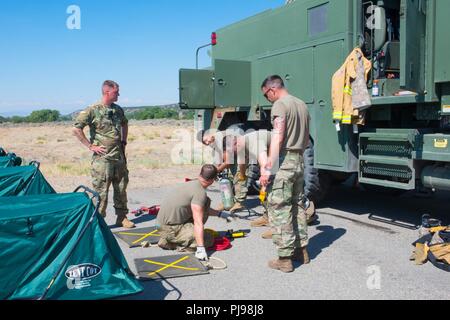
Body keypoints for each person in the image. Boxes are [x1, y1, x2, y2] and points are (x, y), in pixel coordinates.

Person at [259, 75, 311, 273]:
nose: (268, 100)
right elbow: (306, 137)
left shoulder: (280, 105)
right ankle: (302, 251)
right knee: (298, 206)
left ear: (272, 90)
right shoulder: (302, 104)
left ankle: (284, 258)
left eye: (266, 95)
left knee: (280, 208)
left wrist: (268, 168)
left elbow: (278, 136)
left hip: (285, 161)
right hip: (299, 160)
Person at [73, 80, 135, 229]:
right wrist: (90, 146)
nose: (119, 94)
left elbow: (125, 124)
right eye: (116, 92)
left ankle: (122, 217)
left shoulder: (118, 110)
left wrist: (124, 141)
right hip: (102, 159)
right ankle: (98, 221)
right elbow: (76, 129)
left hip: (118, 157)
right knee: (101, 191)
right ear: (107, 92)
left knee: (121, 188)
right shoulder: (92, 110)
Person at [157, 164, 232, 261]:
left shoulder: (191, 184)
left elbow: (202, 209)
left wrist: (220, 214)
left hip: (162, 224)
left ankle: (173, 237)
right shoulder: (200, 193)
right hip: (170, 229)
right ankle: (170, 242)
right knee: (208, 239)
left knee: (205, 202)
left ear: (200, 174)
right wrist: (201, 248)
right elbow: (198, 222)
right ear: (212, 180)